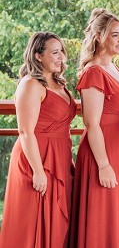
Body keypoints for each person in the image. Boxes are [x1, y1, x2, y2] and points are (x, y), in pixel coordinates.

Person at [0, 32, 76, 247]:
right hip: (36, 159)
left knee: (58, 223)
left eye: (62, 51)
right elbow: (25, 131)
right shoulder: (31, 84)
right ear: (38, 56)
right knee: (33, 221)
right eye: (55, 52)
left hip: (59, 156)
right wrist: (38, 171)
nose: (61, 56)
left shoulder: (58, 83)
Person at [69, 8, 119, 247]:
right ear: (99, 36)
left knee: (118, 212)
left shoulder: (115, 68)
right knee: (103, 213)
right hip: (103, 151)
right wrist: (104, 165)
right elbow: (91, 123)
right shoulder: (93, 72)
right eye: (115, 35)